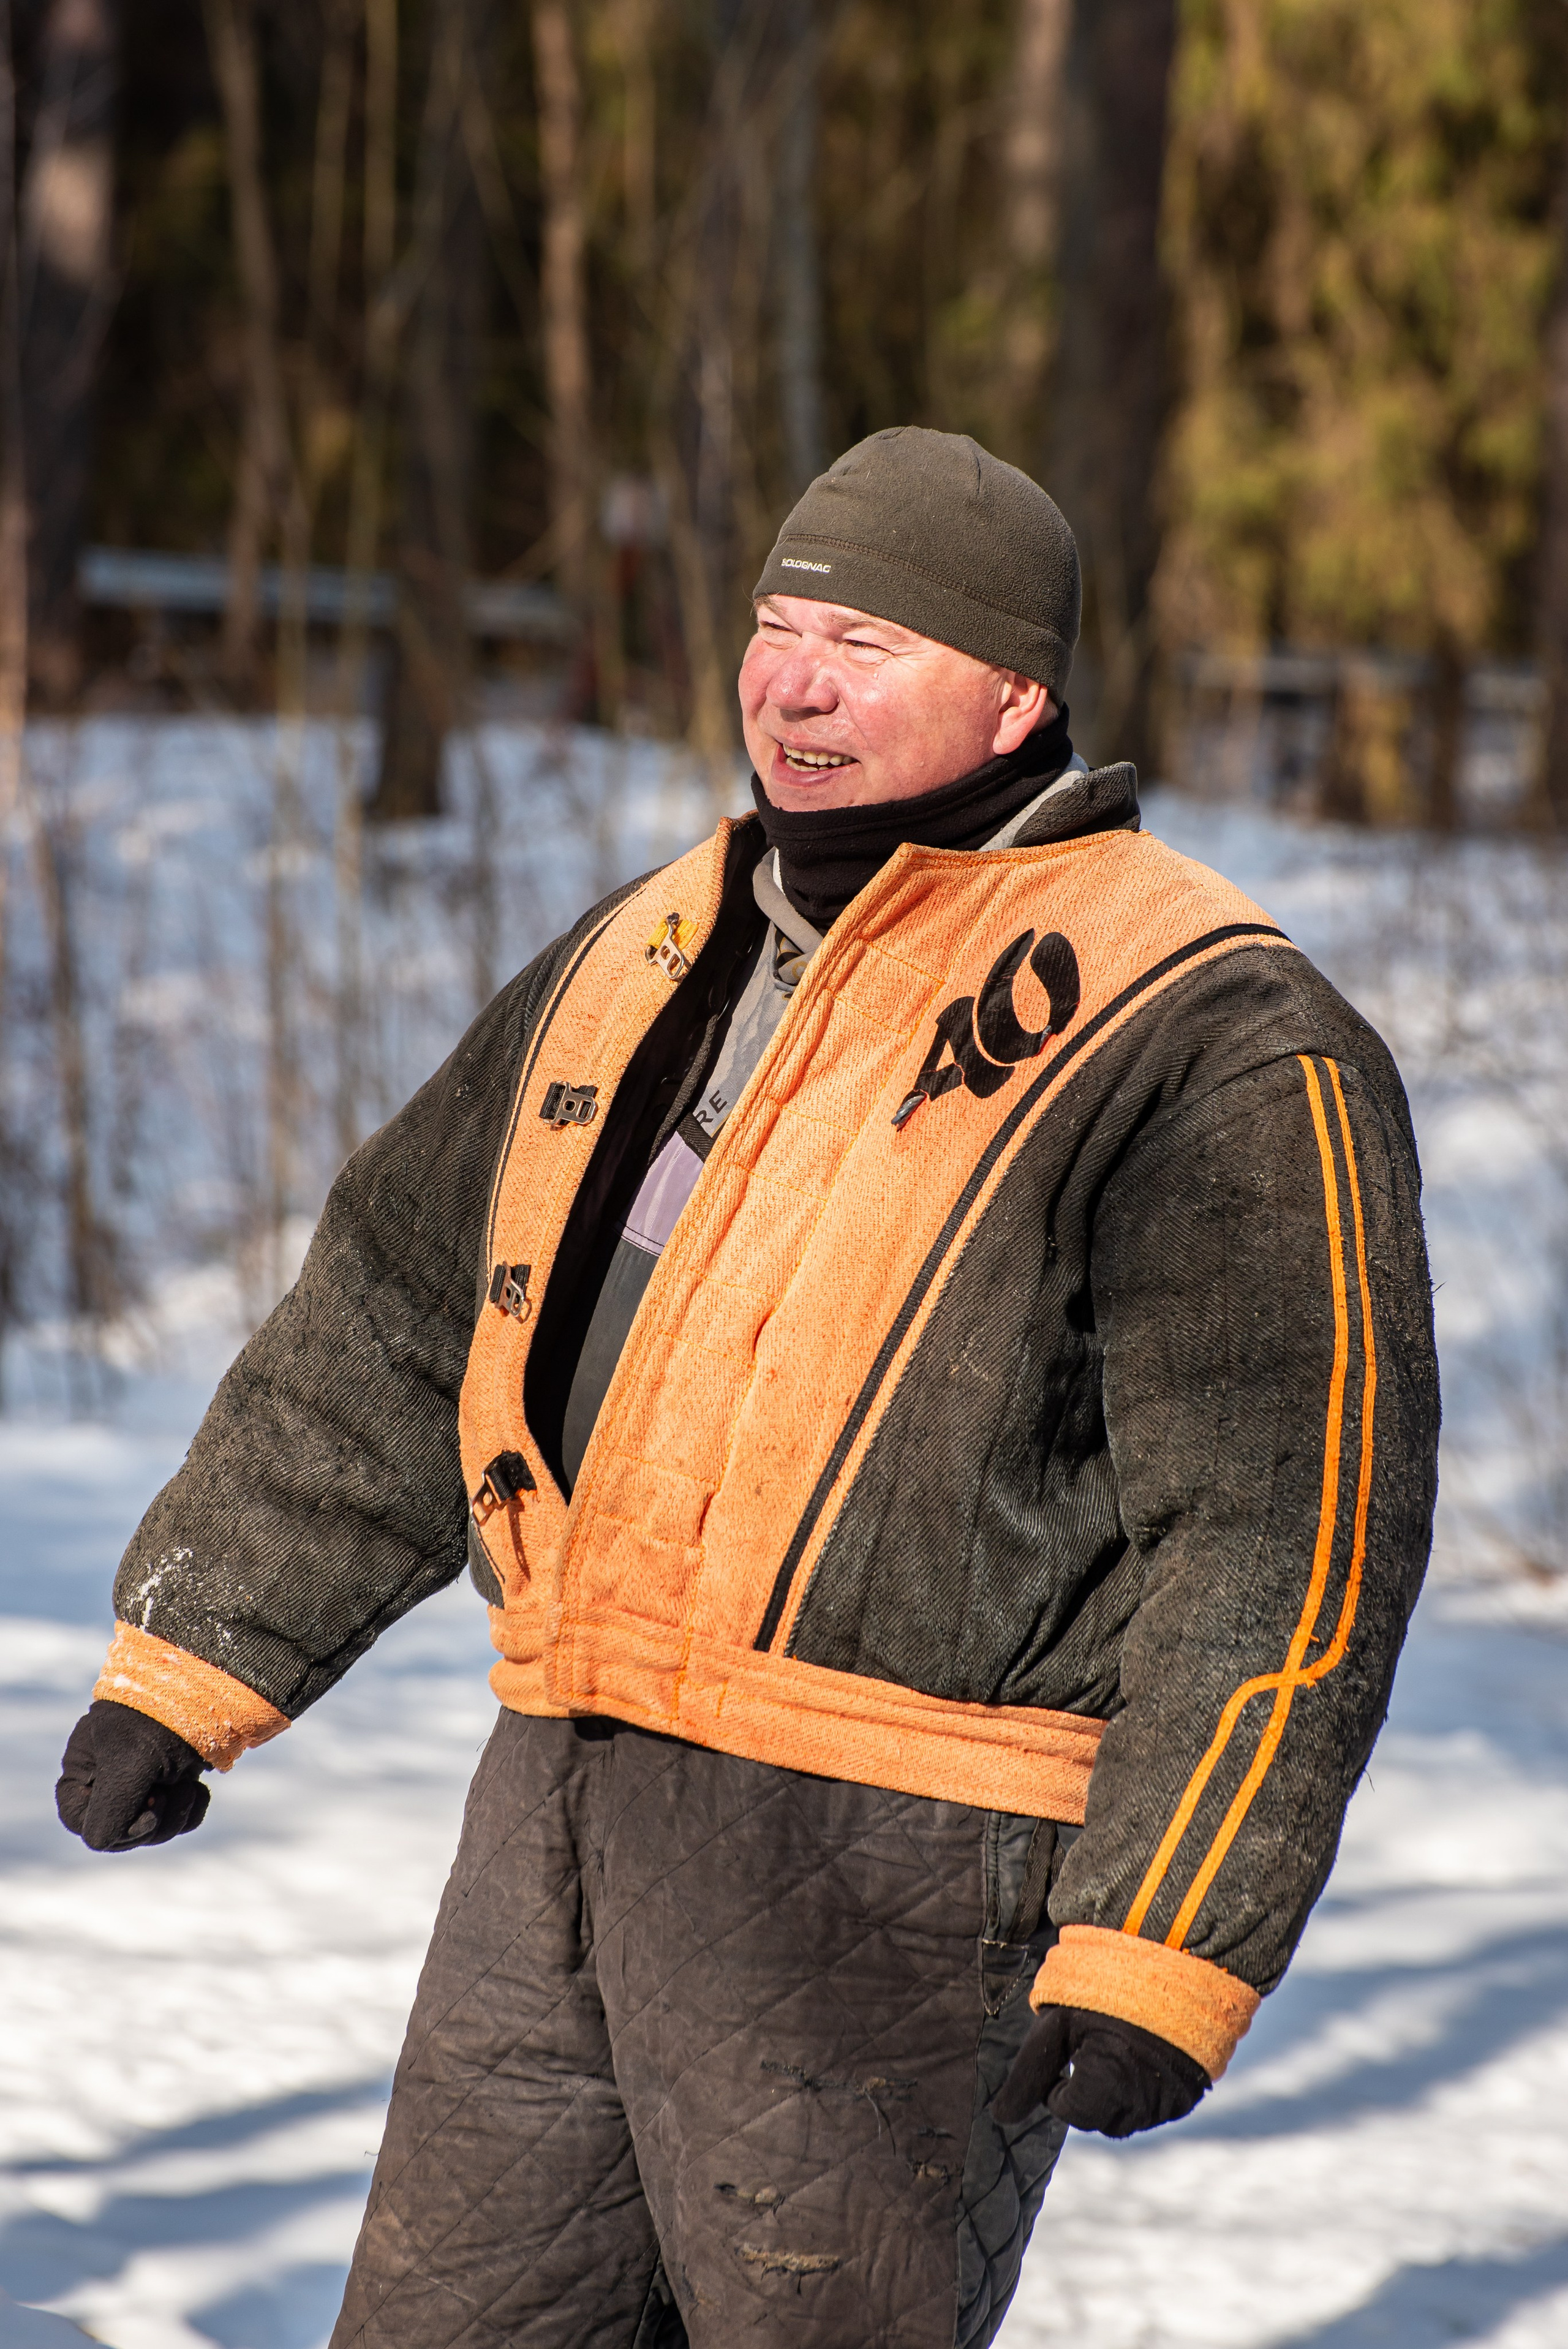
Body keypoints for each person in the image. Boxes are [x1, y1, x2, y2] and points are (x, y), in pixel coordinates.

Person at [56, 428, 1439, 2348]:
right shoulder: (655, 946)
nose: (792, 683)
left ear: (1016, 687)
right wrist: (194, 1655)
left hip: (899, 1867)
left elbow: (1288, 1517)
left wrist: (1171, 1919)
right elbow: (400, 1295)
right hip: (562, 1784)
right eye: (777, 628)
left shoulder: (1205, 1019)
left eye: (862, 641)